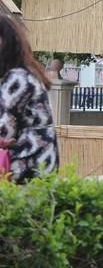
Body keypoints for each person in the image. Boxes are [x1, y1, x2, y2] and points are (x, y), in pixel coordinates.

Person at [0, 15, 59, 183]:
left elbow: (4, 131)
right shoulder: (26, 74)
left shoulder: (17, 79)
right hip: (40, 169)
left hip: (24, 169)